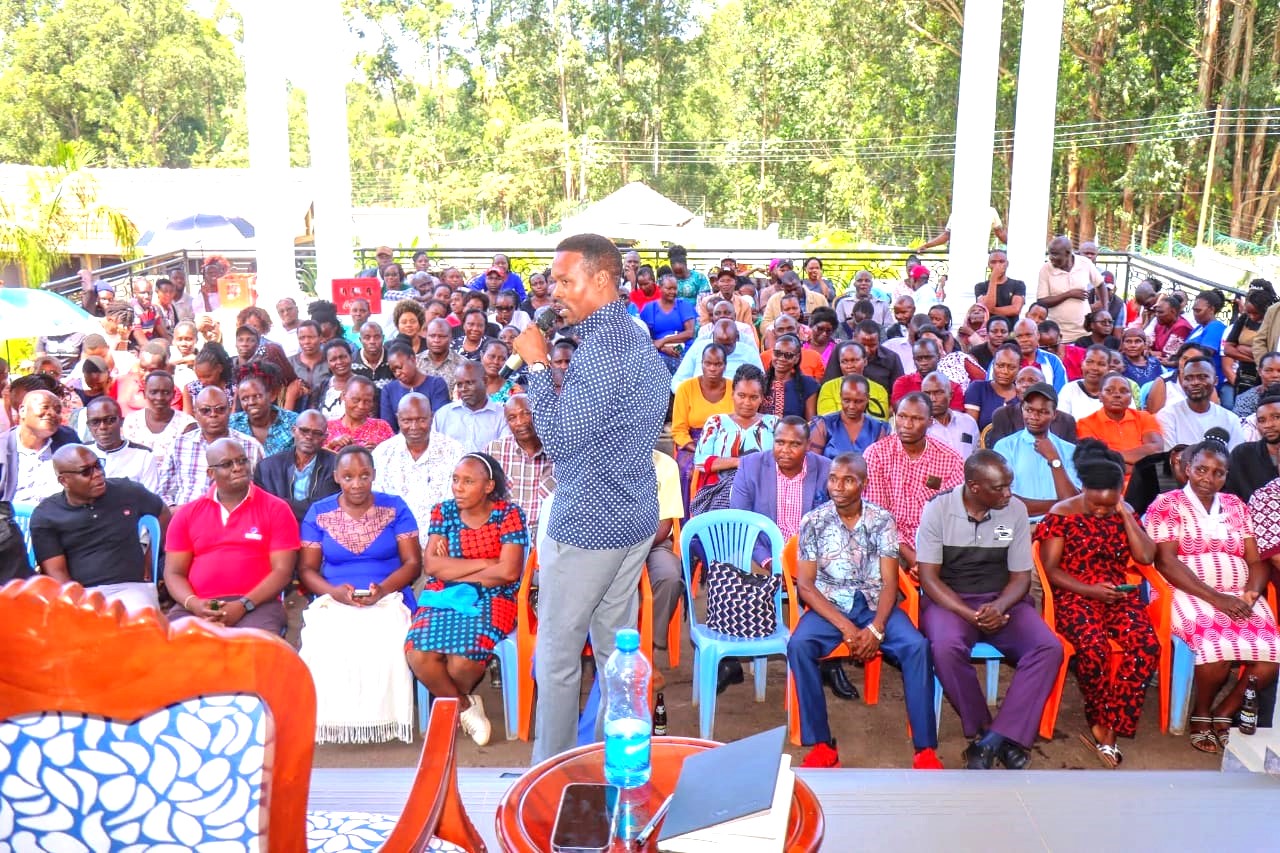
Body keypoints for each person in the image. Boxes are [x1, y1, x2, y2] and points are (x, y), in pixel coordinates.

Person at [509, 234, 670, 763]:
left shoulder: (598, 353)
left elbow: (560, 440)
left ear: (601, 280)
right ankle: (612, 763)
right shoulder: (634, 336)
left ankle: (548, 776)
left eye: (564, 279)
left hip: (589, 524)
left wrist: (535, 367)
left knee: (555, 656)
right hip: (634, 515)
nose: (555, 290)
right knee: (613, 652)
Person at [788, 451, 942, 769]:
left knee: (917, 647)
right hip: (829, 605)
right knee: (799, 645)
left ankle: (925, 749)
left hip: (874, 604)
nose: (838, 486)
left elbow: (889, 582)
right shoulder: (813, 522)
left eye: (848, 480)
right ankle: (822, 745)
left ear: (863, 484)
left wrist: (876, 628)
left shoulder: (881, 520)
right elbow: (805, 585)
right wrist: (846, 628)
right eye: (833, 478)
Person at [917, 450, 1064, 770]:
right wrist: (970, 615)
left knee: (1048, 647)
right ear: (973, 486)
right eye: (999, 488)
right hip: (950, 600)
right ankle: (985, 728)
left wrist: (998, 606)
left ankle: (994, 740)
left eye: (1009, 486)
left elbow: (1021, 578)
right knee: (945, 646)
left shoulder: (1015, 511)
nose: (1008, 494)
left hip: (1003, 598)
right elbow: (928, 579)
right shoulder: (939, 509)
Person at [1145, 437, 1280, 752]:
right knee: (1217, 648)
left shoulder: (1235, 505)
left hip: (1240, 596)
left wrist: (1250, 594)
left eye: (1218, 473)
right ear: (1187, 468)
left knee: (1271, 654)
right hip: (1186, 591)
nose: (1208, 478)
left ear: (1226, 475)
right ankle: (1201, 713)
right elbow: (1165, 561)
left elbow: (1256, 559)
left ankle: (1224, 712)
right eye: (1201, 469)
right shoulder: (1167, 504)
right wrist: (1217, 599)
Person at [1035, 440, 1159, 766]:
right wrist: (1091, 592)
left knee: (1146, 645)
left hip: (1117, 594)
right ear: (1084, 490)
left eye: (1109, 504)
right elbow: (1050, 570)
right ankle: (1099, 721)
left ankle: (1113, 722)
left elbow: (1146, 555)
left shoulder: (1122, 510)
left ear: (1120, 492)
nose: (1101, 512)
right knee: (1094, 648)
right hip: (1075, 594)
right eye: (1095, 505)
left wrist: (1125, 515)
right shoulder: (1061, 514)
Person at [298, 445, 421, 745]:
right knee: (325, 640)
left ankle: (386, 720)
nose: (357, 484)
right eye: (349, 476)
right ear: (337, 477)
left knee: (390, 635)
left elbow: (413, 564)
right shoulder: (319, 512)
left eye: (364, 476)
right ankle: (335, 722)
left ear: (374, 475)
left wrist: (383, 590)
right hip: (334, 598)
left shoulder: (395, 507)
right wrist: (334, 593)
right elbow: (307, 571)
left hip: (390, 595)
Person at [405, 453, 529, 746]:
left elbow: (510, 571)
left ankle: (447, 704)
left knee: (462, 661)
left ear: (488, 487)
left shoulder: (508, 514)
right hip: (443, 595)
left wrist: (456, 569)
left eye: (468, 482)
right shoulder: (443, 512)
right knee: (417, 652)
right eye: (456, 480)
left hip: (494, 597)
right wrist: (487, 564)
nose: (458, 488)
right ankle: (463, 706)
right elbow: (433, 567)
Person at [163, 438, 299, 634]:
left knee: (254, 654)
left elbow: (282, 572)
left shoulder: (276, 508)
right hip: (199, 605)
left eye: (242, 461)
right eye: (227, 464)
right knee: (173, 650)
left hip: (257, 604)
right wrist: (194, 604)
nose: (238, 468)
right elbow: (173, 573)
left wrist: (243, 605)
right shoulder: (187, 514)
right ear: (211, 473)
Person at [30, 444, 170, 614]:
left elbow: (162, 512)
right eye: (86, 472)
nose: (98, 474)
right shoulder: (47, 515)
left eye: (98, 465)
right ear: (64, 481)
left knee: (139, 625)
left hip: (130, 589)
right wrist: (77, 604)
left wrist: (151, 556)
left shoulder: (127, 491)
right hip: (81, 593)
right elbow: (56, 572)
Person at [863, 393, 964, 576]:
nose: (907, 425)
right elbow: (878, 518)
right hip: (889, 543)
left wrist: (930, 556)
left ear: (930, 421)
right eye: (902, 417)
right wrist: (912, 556)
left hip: (936, 544)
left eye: (916, 419)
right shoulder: (876, 455)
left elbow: (953, 516)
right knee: (881, 566)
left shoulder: (950, 459)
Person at [157, 386, 265, 506]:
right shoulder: (179, 445)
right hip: (187, 518)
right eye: (205, 410)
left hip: (238, 518)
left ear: (229, 410)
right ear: (195, 413)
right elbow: (163, 493)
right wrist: (179, 514)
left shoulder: (251, 446)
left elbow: (262, 493)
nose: (213, 415)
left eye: (220, 409)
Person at [691, 365, 779, 512]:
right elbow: (700, 461)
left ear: (762, 398)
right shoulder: (717, 422)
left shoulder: (773, 423)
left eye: (754, 397)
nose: (747, 402)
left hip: (764, 490)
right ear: (732, 394)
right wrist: (739, 462)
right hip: (719, 491)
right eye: (741, 395)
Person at [991, 382, 1080, 522]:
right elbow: (1005, 502)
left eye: (1043, 412)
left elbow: (1073, 503)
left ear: (1054, 414)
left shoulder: (1070, 451)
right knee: (999, 536)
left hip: (1058, 528)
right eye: (1029, 410)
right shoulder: (1005, 447)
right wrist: (1060, 505)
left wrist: (1054, 459)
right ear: (1022, 409)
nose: (1034, 417)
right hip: (1015, 525)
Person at [672, 343, 735, 508]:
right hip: (692, 443)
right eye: (708, 363)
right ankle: (688, 523)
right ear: (702, 364)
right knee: (688, 472)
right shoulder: (686, 388)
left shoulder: (734, 388)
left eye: (717, 364)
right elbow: (679, 430)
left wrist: (719, 449)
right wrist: (699, 448)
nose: (712, 368)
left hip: (725, 443)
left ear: (725, 365)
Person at [485, 395, 554, 542]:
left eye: (526, 413)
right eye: (512, 418)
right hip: (504, 540)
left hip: (546, 543)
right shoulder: (495, 451)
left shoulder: (558, 449)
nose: (520, 422)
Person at [253, 410, 340, 523]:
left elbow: (325, 507)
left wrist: (279, 505)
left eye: (317, 433)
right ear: (294, 431)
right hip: (277, 528)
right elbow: (262, 507)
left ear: (325, 437)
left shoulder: (336, 465)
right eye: (304, 430)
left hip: (320, 530)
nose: (309, 436)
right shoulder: (267, 467)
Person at [1075, 374, 1164, 478]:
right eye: (1109, 390)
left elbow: (1156, 450)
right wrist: (1143, 464)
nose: (1117, 395)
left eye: (1123, 391)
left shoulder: (1144, 417)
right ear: (1100, 396)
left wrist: (1110, 456)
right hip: (1108, 485)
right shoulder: (1086, 423)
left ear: (1131, 398)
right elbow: (1096, 463)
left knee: (1166, 472)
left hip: (1146, 484)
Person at [1156, 358, 1245, 450]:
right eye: (1188, 378)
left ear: (1215, 381)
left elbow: (1235, 458)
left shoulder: (1231, 419)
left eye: (1202, 377)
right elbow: (1170, 457)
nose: (1195, 383)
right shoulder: (1167, 416)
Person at [431, 361, 511, 452]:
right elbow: (434, 451)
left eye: (469, 383)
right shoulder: (443, 415)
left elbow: (504, 453)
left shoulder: (502, 416)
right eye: (459, 384)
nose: (463, 389)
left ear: (485, 381)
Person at [83, 397, 158, 491]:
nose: (103, 427)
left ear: (121, 421)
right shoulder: (81, 453)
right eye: (95, 422)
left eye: (110, 420)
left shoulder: (143, 455)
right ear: (88, 426)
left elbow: (150, 499)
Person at [1037, 236, 1101, 344]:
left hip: (1084, 333)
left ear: (1067, 253)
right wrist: (1069, 294)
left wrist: (1105, 308)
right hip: (1058, 334)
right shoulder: (1046, 269)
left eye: (1055, 254)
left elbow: (1101, 284)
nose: (1051, 257)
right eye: (1050, 253)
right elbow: (1042, 301)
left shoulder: (1085, 263)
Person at [668, 319, 763, 392]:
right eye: (719, 343)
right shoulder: (698, 348)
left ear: (737, 338)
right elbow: (677, 382)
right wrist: (692, 395)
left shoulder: (749, 353)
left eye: (728, 345)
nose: (722, 349)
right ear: (713, 336)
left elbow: (761, 384)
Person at [810, 375, 891, 459]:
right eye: (846, 400)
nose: (852, 406)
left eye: (858, 401)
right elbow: (813, 463)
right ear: (840, 396)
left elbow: (882, 463)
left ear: (867, 398)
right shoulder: (824, 425)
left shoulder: (878, 428)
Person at [381, 342, 450, 431]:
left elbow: (440, 419)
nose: (397, 373)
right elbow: (388, 427)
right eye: (394, 370)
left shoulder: (436, 384)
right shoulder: (389, 390)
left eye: (400, 367)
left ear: (413, 359)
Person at [229, 365, 297, 456]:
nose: (251, 402)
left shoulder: (293, 422)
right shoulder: (232, 425)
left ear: (272, 395)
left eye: (257, 396)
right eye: (245, 399)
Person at [639, 273, 697, 374]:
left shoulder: (683, 305)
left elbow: (690, 333)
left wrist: (664, 340)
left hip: (683, 350)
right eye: (669, 288)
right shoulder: (650, 308)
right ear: (659, 288)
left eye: (675, 288)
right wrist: (663, 348)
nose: (673, 292)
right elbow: (645, 337)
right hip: (658, 352)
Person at [817, 341, 890, 420]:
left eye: (854, 360)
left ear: (865, 361)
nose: (849, 366)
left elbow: (880, 423)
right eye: (844, 361)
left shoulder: (879, 390)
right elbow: (828, 421)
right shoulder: (829, 388)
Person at [324, 375, 393, 451]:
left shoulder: (382, 427)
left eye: (367, 401)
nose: (361, 406)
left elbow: (395, 455)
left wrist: (378, 451)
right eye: (355, 400)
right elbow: (314, 458)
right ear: (344, 396)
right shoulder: (327, 428)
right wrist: (331, 446)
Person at [892, 339, 965, 410]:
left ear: (938, 357)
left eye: (928, 358)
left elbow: (954, 418)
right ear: (914, 360)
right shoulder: (903, 383)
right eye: (919, 359)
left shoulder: (953, 387)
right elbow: (900, 411)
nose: (924, 363)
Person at [761, 334, 819, 419]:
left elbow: (811, 423)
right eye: (777, 353)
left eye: (788, 355)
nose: (781, 358)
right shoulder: (759, 382)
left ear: (796, 358)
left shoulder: (808, 384)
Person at [923, 372, 979, 460]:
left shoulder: (968, 423)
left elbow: (976, 457)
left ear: (950, 395)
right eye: (927, 394)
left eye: (938, 393)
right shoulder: (918, 429)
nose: (932, 399)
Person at [964, 343, 1020, 431]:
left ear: (1019, 369)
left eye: (1011, 367)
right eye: (1000, 366)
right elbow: (970, 429)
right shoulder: (978, 389)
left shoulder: (1022, 394)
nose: (1005, 371)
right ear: (993, 365)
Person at [1055, 345, 1111, 420]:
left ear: (1109, 368)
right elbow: (1061, 423)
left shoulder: (1116, 391)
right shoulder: (1069, 389)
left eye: (1101, 364)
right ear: (1082, 363)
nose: (1094, 368)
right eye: (1089, 362)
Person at [974, 249, 1025, 319]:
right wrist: (993, 279)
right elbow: (985, 308)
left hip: (1011, 328)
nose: (997, 265)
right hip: (988, 328)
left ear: (1007, 264)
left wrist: (991, 309)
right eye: (993, 262)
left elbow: (1015, 309)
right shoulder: (980, 286)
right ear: (989, 265)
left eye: (1001, 261)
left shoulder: (1018, 284)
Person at [855, 321, 905, 392]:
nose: (867, 350)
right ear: (854, 339)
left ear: (879, 342)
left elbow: (898, 391)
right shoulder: (842, 354)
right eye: (862, 345)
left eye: (872, 345)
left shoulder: (892, 359)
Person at [288, 321, 332, 400]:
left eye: (311, 337)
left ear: (321, 338)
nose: (307, 342)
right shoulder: (290, 363)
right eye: (302, 338)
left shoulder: (330, 361)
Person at [1151, 292, 1193, 366]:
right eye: (1156, 312)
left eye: (1161, 312)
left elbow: (1169, 356)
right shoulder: (1161, 324)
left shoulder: (1181, 327)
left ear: (1173, 312)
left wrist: (1148, 351)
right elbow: (1150, 343)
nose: (1157, 315)